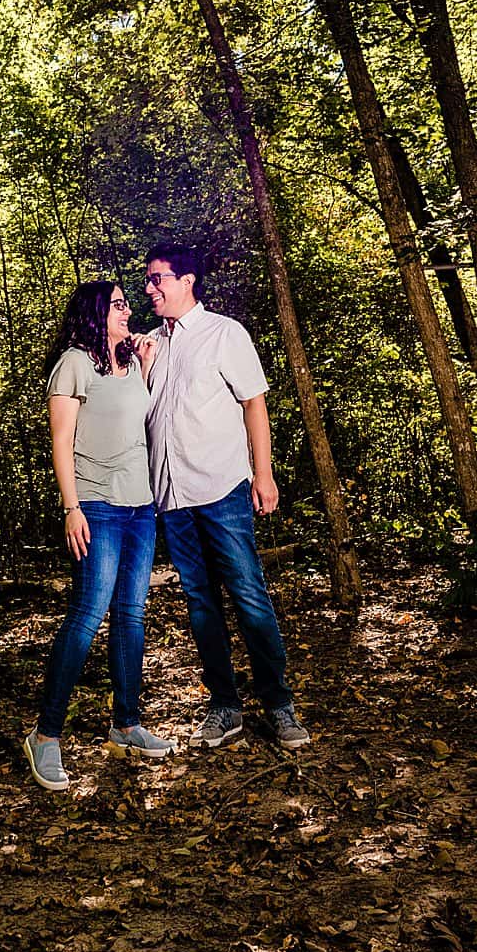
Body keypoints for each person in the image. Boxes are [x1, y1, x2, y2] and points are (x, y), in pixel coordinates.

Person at [141, 239, 308, 750]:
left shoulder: (224, 334)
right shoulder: (152, 343)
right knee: (200, 604)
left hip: (221, 487)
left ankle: (279, 705)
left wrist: (265, 474)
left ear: (186, 281)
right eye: (148, 281)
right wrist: (143, 368)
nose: (149, 289)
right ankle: (225, 706)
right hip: (172, 496)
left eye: (158, 279)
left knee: (248, 594)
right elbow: (145, 416)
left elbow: (254, 404)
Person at [25, 279, 174, 791]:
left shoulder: (132, 363)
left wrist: (149, 366)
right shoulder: (73, 363)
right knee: (88, 615)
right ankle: (45, 737)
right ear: (94, 312)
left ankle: (126, 724)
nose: (127, 309)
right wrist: (71, 509)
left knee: (132, 615)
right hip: (96, 505)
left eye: (126, 302)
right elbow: (61, 441)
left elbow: (145, 422)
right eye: (117, 304)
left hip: (140, 507)